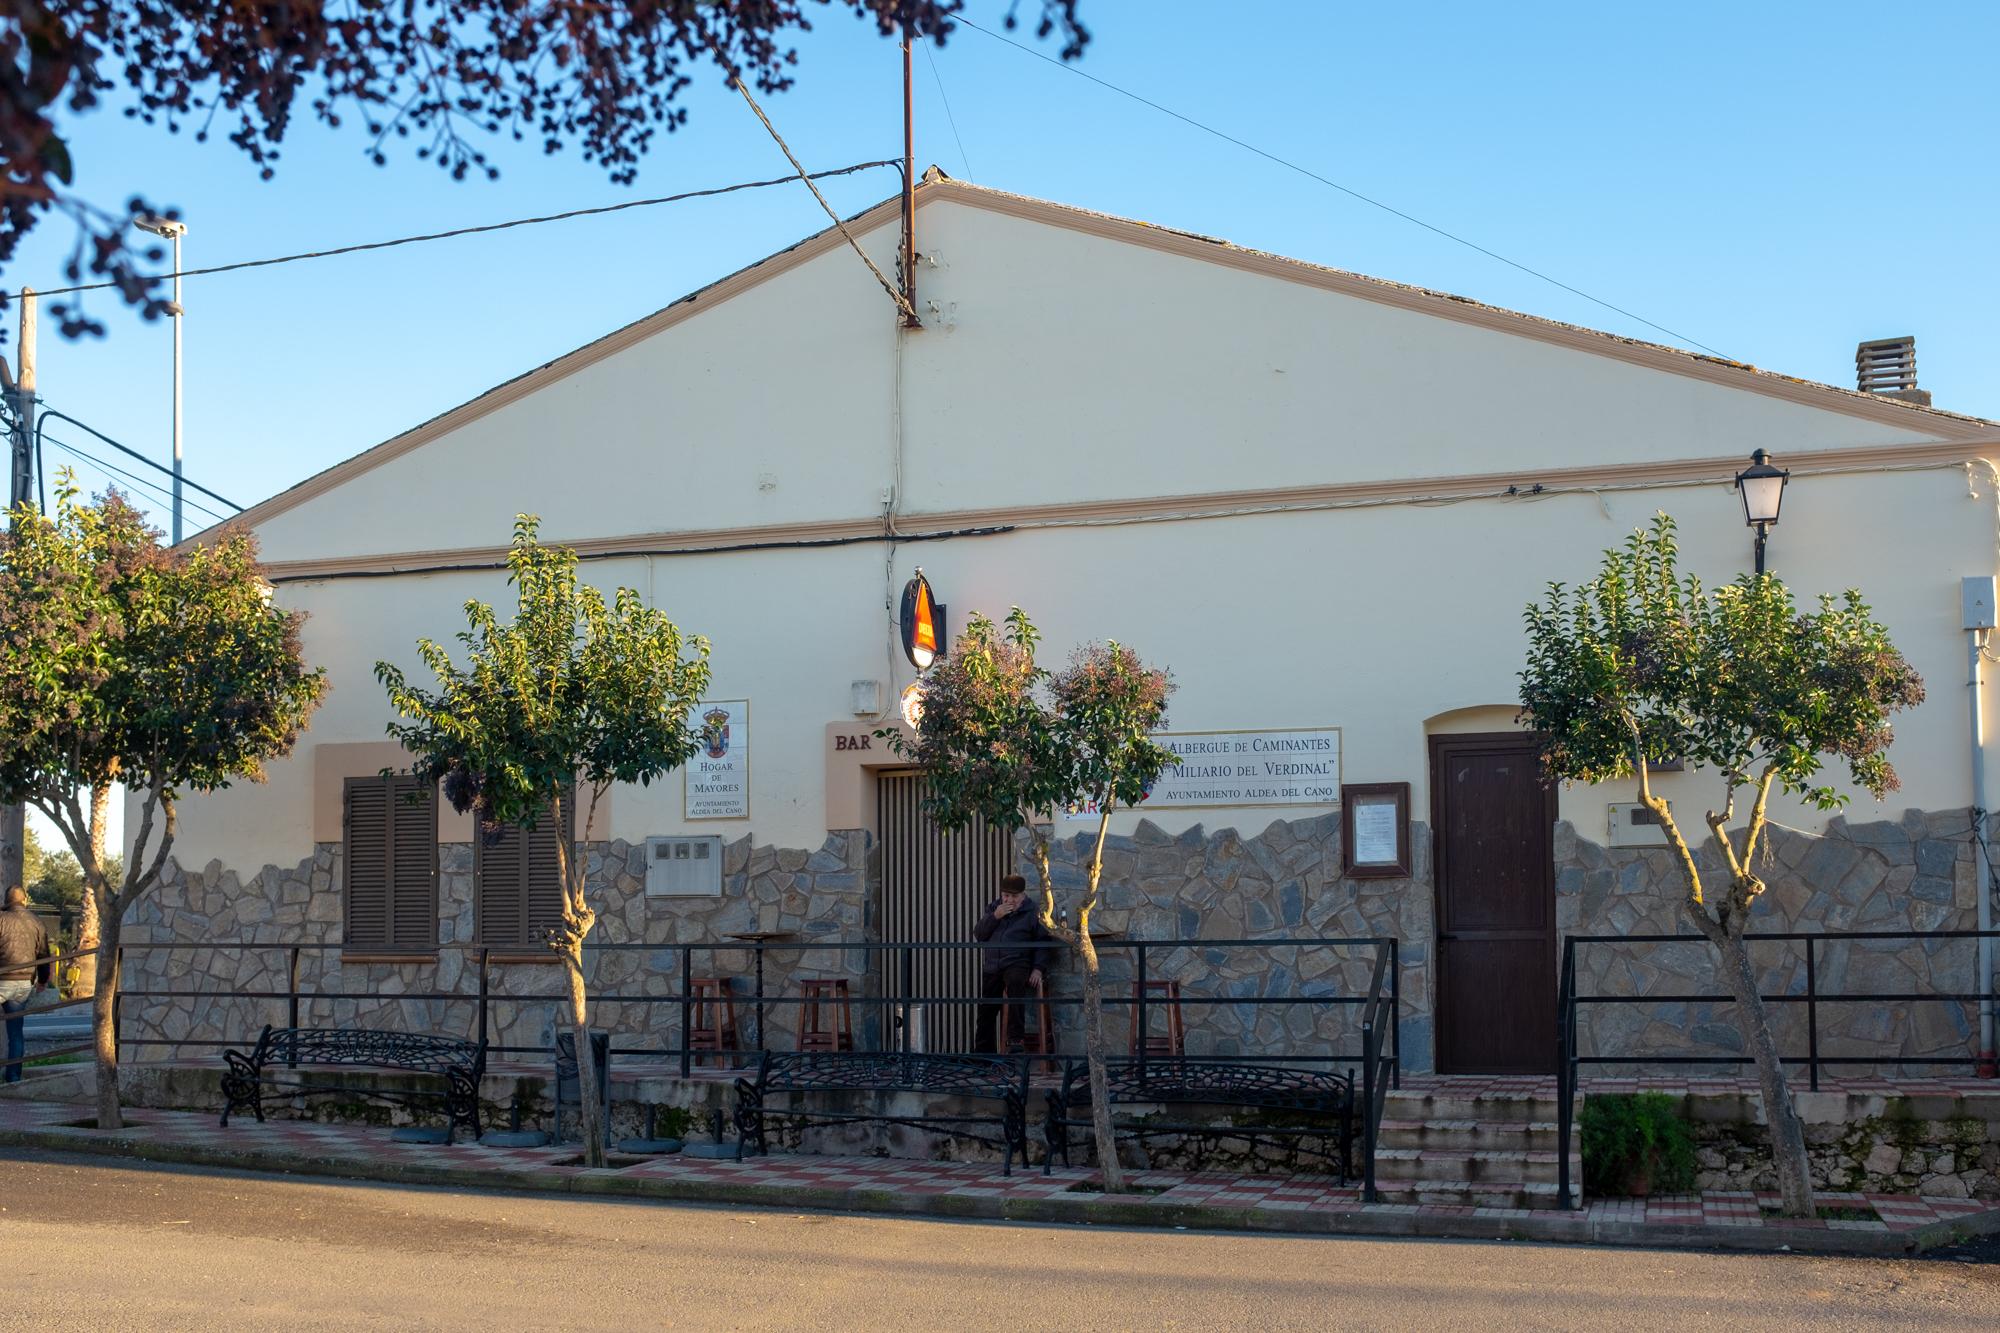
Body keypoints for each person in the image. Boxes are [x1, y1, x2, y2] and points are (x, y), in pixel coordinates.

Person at [972, 874, 1055, 1054]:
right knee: (986, 1007)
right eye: (1006, 896)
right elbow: (979, 935)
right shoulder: (994, 909)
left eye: (1014, 896)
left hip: (1018, 962)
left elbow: (1043, 943)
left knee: (1015, 984)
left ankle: (1015, 1039)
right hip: (993, 964)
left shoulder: (1033, 912)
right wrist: (995, 916)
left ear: (1022, 895)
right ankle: (982, 1053)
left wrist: (1038, 969)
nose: (1009, 900)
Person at [0, 884, 53, 1084]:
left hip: (2, 978)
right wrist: (43, 980)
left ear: (6, 900)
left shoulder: (1, 919)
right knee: (15, 1033)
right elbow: (44, 955)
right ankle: (13, 1077)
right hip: (23, 982)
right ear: (25, 900)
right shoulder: (36, 921)